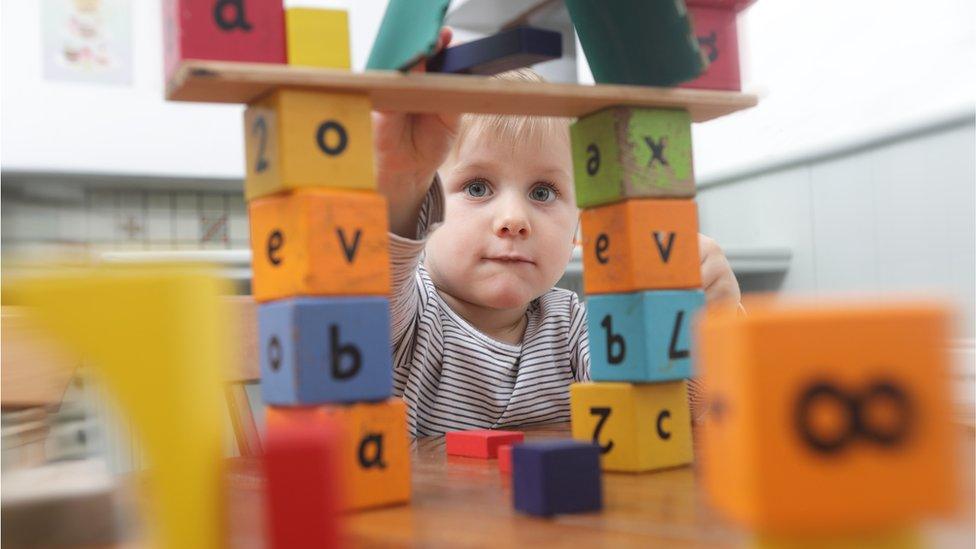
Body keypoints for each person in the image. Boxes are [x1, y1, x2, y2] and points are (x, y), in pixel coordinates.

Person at [372, 28, 740, 436]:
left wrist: (701, 325)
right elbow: (371, 289)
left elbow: (657, 413)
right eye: (477, 187)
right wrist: (402, 183)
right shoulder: (411, 314)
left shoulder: (571, 325)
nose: (514, 219)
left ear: (578, 226)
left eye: (543, 192)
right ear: (427, 203)